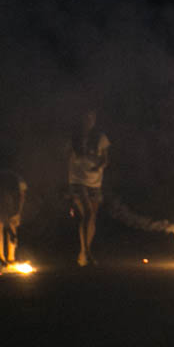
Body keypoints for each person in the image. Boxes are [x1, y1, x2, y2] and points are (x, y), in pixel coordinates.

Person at [67, 110, 110, 266]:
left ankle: (83, 253)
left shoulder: (101, 138)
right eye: (86, 118)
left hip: (95, 181)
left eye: (91, 118)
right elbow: (66, 156)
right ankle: (87, 253)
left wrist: (98, 165)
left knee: (91, 217)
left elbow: (106, 160)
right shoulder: (74, 136)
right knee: (87, 212)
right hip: (77, 180)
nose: (88, 121)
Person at [0, 169, 27, 266]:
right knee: (0, 229)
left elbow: (22, 196)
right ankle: (1, 258)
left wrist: (18, 212)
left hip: (12, 207)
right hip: (0, 205)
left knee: (12, 230)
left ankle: (10, 258)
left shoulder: (18, 179)